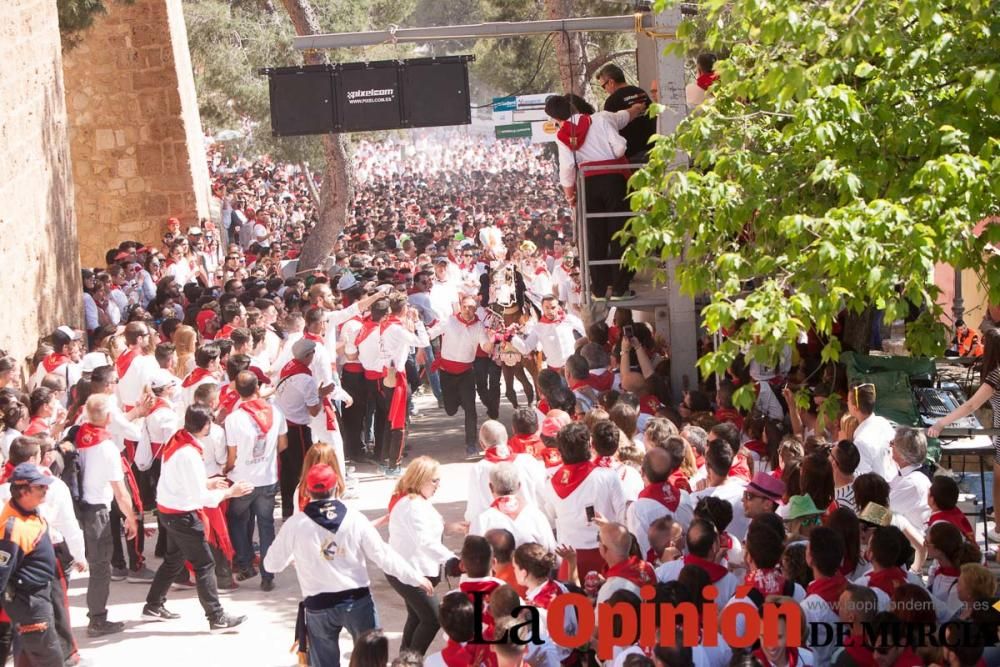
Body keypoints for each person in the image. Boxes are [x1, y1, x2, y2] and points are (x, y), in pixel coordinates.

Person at [264, 463, 433, 666]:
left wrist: (293, 558)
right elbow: (383, 555)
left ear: (307, 491)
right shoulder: (354, 519)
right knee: (371, 661)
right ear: (337, 486)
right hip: (357, 602)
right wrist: (414, 577)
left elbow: (271, 564)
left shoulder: (296, 524)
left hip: (319, 606)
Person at [143, 405, 252, 632]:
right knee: (205, 564)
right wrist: (229, 493)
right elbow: (202, 498)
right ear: (205, 426)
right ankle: (217, 617)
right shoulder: (190, 453)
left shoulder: (178, 439)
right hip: (182, 514)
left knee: (174, 560)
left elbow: (182, 478)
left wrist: (207, 482)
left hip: (168, 509)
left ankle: (153, 605)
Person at [544, 93, 646, 299]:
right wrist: (637, 108)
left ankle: (598, 289)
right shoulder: (601, 118)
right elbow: (621, 140)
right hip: (615, 181)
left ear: (556, 119)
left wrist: (570, 196)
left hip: (587, 185)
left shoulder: (562, 135)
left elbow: (567, 170)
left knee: (595, 236)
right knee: (620, 232)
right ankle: (620, 288)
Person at [75, 394, 137, 637]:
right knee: (101, 567)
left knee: (97, 563)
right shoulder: (107, 447)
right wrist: (130, 518)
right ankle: (98, 619)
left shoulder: (81, 434)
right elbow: (120, 492)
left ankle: (96, 615)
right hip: (97, 511)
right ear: (109, 418)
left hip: (82, 507)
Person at [385, 456, 457, 655]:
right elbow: (424, 541)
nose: (438, 485)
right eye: (434, 480)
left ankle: (404, 659)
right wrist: (452, 560)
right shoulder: (411, 505)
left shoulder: (418, 501)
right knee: (433, 618)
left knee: (417, 617)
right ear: (420, 479)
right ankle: (411, 662)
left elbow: (428, 531)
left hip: (414, 570)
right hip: (408, 573)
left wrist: (451, 528)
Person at [929, 328, 1000, 531]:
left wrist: (942, 422)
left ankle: (998, 530)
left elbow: (971, 406)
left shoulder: (996, 375)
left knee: (999, 482)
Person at [224, 371, 287, 590]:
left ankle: (244, 560)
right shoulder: (275, 412)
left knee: (236, 518)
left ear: (237, 391)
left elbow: (231, 454)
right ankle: (267, 575)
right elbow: (283, 445)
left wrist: (229, 467)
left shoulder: (233, 418)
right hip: (268, 478)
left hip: (242, 480)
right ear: (257, 389)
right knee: (266, 524)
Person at [0, 464, 61, 666]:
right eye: (40, 487)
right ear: (23, 491)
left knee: (27, 659)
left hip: (39, 597)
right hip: (31, 605)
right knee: (49, 660)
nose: (46, 489)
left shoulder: (29, 511)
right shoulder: (12, 528)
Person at [427, 295, 493, 458]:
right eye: (465, 307)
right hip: (447, 373)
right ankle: (457, 400)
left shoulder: (479, 326)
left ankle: (471, 445)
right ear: (460, 307)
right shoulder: (448, 321)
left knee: (471, 409)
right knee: (450, 409)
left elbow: (486, 347)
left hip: (466, 373)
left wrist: (494, 339)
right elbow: (429, 334)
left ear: (475, 308)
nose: (468, 310)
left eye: (472, 307)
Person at [595, 63, 657, 163]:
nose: (605, 90)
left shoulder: (612, 101)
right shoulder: (641, 92)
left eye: (603, 86)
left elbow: (610, 130)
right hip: (652, 149)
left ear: (611, 82)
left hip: (631, 155)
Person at [847, 383, 895, 481]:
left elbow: (863, 479)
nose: (846, 402)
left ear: (855, 408)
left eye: (848, 401)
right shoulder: (883, 422)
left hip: (879, 491)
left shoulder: (860, 442)